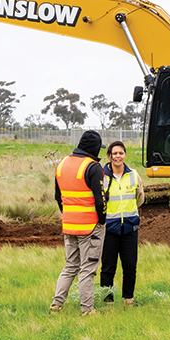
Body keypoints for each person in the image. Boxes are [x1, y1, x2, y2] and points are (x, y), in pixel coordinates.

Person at [50, 130, 107, 316]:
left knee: (70, 266)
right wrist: (102, 221)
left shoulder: (62, 164)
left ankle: (56, 305)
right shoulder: (93, 167)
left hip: (69, 225)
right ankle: (87, 310)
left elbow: (58, 198)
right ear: (95, 147)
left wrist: (68, 216)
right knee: (87, 269)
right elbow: (101, 200)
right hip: (90, 227)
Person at [100, 141, 145, 307]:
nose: (118, 156)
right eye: (114, 153)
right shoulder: (102, 176)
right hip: (109, 229)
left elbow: (140, 198)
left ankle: (128, 298)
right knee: (108, 267)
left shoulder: (133, 175)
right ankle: (107, 301)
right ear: (109, 156)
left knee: (130, 265)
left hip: (129, 228)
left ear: (124, 155)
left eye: (121, 153)